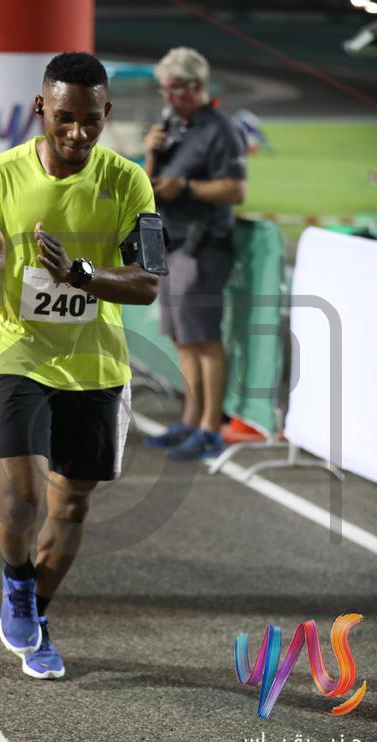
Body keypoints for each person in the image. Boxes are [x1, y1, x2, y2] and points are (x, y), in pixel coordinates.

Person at [0, 52, 158, 679]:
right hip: (17, 352)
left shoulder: (129, 182)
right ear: (41, 107)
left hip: (95, 365)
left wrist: (79, 274)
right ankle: (17, 584)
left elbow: (147, 283)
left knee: (71, 508)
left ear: (106, 113)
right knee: (22, 497)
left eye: (91, 120)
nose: (77, 133)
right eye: (64, 117)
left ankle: (36, 613)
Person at [143, 47, 247, 461]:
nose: (169, 97)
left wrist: (185, 187)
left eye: (175, 88)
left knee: (204, 339)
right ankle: (190, 421)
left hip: (202, 245)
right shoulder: (173, 126)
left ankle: (209, 429)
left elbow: (235, 190)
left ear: (198, 85)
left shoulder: (221, 129)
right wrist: (151, 153)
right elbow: (149, 184)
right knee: (182, 339)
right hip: (173, 242)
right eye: (164, 89)